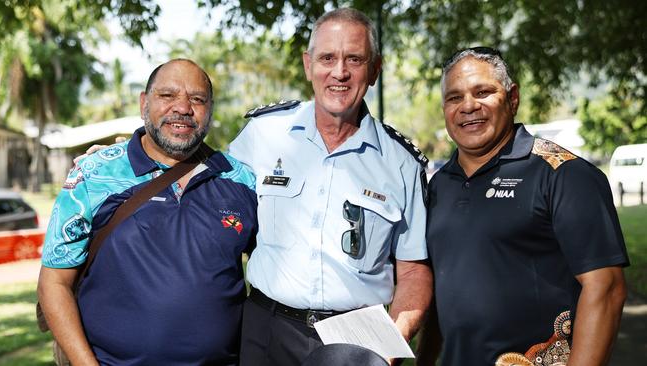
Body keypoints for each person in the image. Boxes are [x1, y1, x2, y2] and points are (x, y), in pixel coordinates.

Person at [229, 8, 431, 366]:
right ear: (309, 65)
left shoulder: (401, 162)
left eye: (354, 59)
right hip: (265, 330)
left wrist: (387, 348)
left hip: (357, 339)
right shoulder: (262, 135)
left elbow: (414, 270)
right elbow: (210, 203)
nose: (339, 72)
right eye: (327, 58)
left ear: (375, 69)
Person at [37, 59, 257, 365]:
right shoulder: (95, 174)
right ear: (144, 102)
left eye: (197, 99)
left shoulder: (242, 180)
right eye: (167, 96)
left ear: (210, 109)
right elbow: (54, 283)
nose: (182, 107)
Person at [418, 47, 629, 365]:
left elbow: (607, 290)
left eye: (483, 92)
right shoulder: (438, 186)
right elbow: (439, 292)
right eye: (454, 97)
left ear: (512, 97)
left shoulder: (564, 174)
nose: (469, 106)